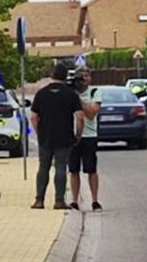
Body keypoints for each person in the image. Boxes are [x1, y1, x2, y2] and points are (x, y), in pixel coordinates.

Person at [30, 64, 84, 210]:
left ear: (51, 76)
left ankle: (39, 200)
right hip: (64, 136)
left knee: (43, 168)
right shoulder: (71, 94)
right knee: (61, 167)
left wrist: (39, 133)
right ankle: (59, 201)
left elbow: (34, 117)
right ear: (66, 77)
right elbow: (80, 117)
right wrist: (78, 135)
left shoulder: (41, 94)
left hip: (46, 137)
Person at [69, 68, 102, 212]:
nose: (83, 80)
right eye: (80, 78)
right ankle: (74, 200)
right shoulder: (70, 93)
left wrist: (78, 100)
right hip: (72, 135)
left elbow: (91, 114)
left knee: (91, 169)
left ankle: (95, 200)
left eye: (86, 77)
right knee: (73, 170)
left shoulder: (94, 93)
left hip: (89, 136)